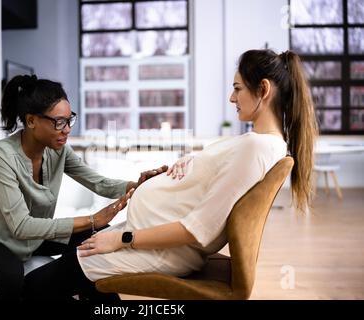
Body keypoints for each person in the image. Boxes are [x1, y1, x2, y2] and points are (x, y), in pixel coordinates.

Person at [22, 49, 318, 300]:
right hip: (146, 236)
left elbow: (197, 229)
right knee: (73, 253)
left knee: (33, 288)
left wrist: (121, 239)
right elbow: (219, 179)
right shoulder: (265, 144)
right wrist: (193, 163)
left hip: (159, 250)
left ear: (263, 90)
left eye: (238, 88)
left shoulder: (256, 146)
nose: (231, 97)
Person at [0, 75, 167, 300]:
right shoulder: (0, 157)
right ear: (31, 121)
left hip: (29, 241)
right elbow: (21, 226)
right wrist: (91, 219)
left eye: (69, 120)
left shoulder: (58, 151)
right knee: (9, 277)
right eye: (59, 122)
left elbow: (98, 182)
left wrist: (136, 185)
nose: (67, 129)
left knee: (96, 240)